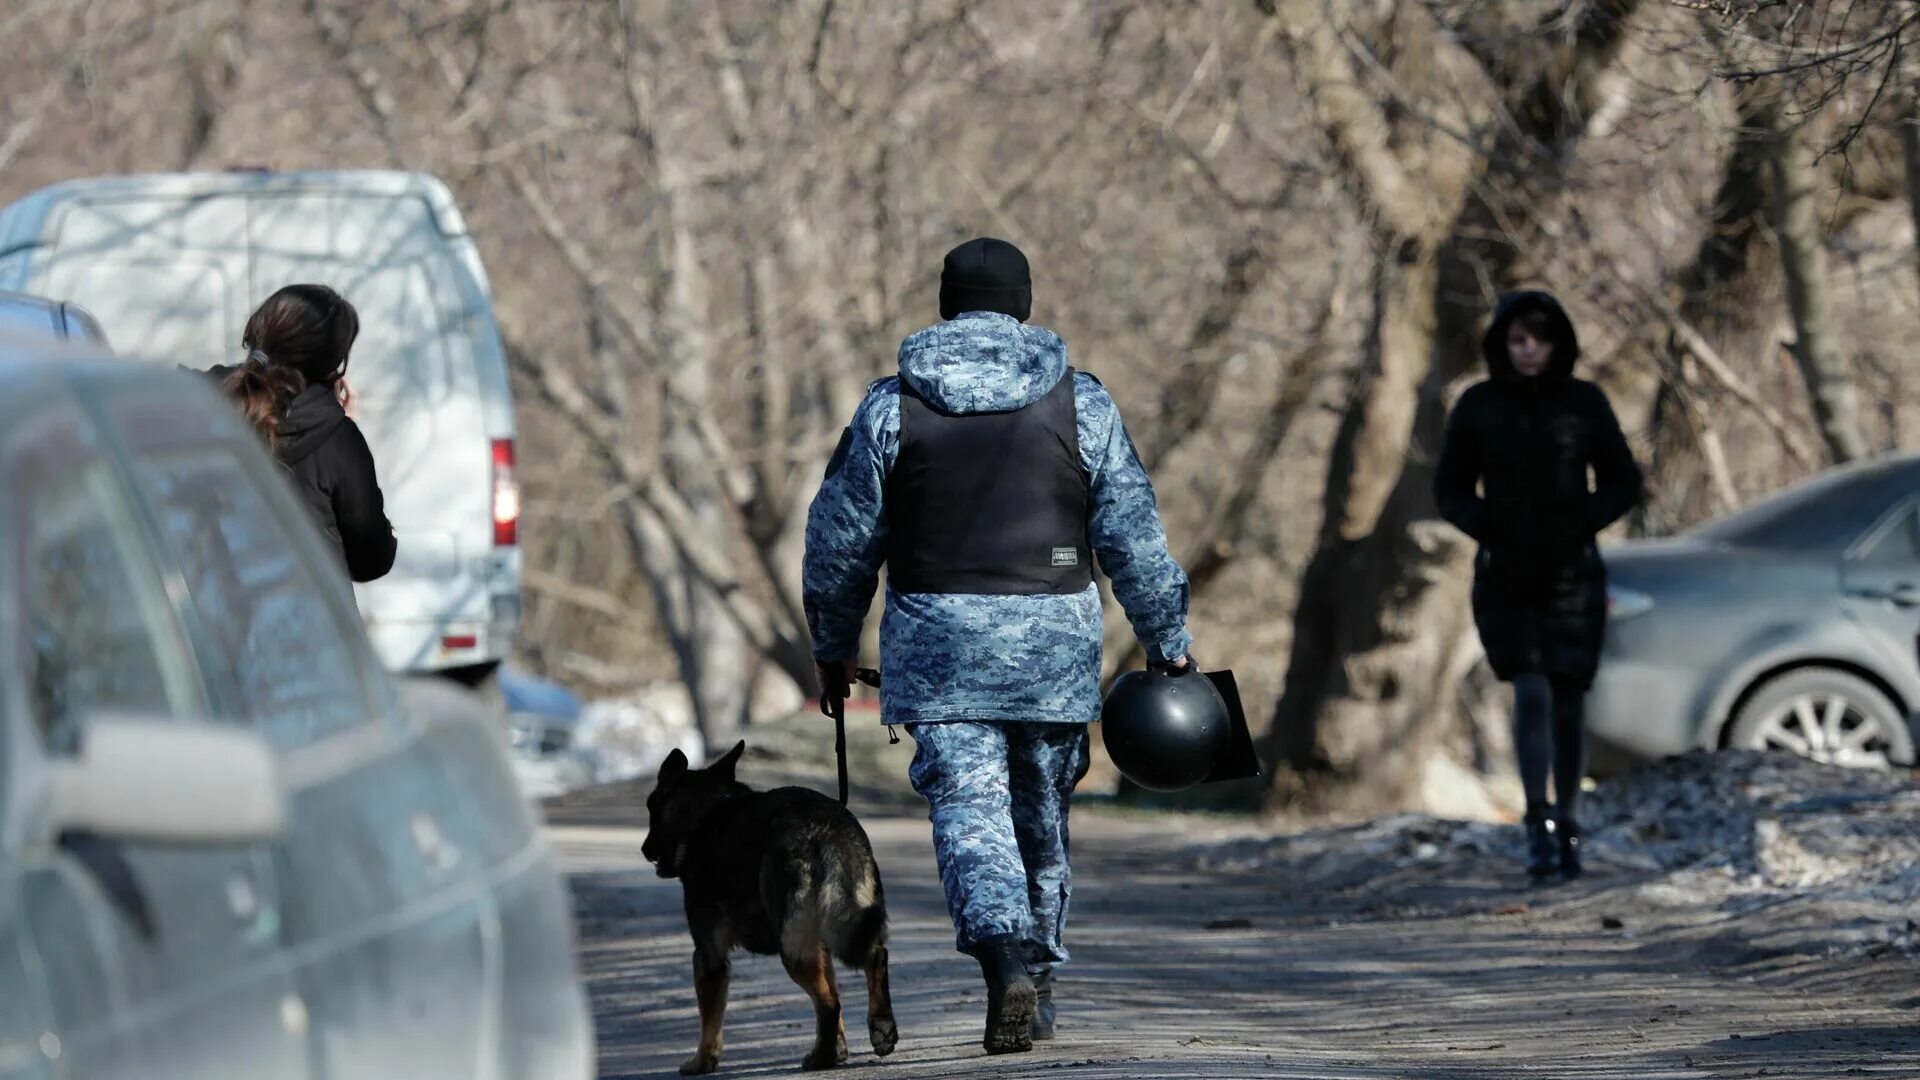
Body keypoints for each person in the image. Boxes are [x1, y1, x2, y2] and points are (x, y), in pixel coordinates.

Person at [803, 237, 1194, 1055]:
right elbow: (1134, 537)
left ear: (947, 302)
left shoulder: (890, 406)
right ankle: (1039, 974)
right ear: (1023, 303)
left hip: (940, 646)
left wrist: (832, 645)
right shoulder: (1083, 405)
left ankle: (1003, 956)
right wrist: (1168, 641)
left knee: (971, 814)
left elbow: (839, 544)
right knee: (1042, 816)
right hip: (1053, 645)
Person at [1434, 290, 1642, 880]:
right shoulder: (1478, 406)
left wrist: (1581, 520)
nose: (1528, 352)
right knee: (1529, 689)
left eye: (1539, 340)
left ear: (1558, 344)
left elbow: (1624, 480)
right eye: (1517, 341)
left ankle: (1572, 823)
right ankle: (1537, 821)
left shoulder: (1584, 403)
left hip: (1573, 573)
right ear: (1501, 344)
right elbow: (1449, 488)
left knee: (1570, 698)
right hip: (1506, 573)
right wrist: (1487, 527)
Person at [211, 284, 397, 583]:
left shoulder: (198, 402)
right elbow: (371, 561)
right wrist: (330, 414)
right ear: (333, 364)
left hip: (214, 619)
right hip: (308, 622)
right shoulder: (339, 441)